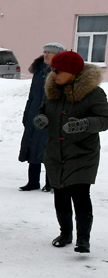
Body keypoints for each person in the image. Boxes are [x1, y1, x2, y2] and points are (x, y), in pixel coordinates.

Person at [33, 51, 108, 253]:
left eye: (58, 70)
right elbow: (42, 111)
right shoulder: (53, 91)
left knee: (81, 195)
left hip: (83, 153)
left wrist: (85, 124)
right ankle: (65, 233)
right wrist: (41, 119)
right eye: (52, 70)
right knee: (61, 194)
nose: (54, 74)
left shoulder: (94, 94)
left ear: (73, 72)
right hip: (56, 152)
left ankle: (83, 239)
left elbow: (104, 120)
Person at [18, 42, 64, 191]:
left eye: (50, 52)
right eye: (45, 52)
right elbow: (31, 96)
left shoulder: (60, 74)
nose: (46, 55)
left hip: (50, 116)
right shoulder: (39, 71)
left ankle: (50, 182)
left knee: (48, 149)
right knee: (32, 147)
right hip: (34, 113)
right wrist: (27, 114)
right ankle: (33, 181)